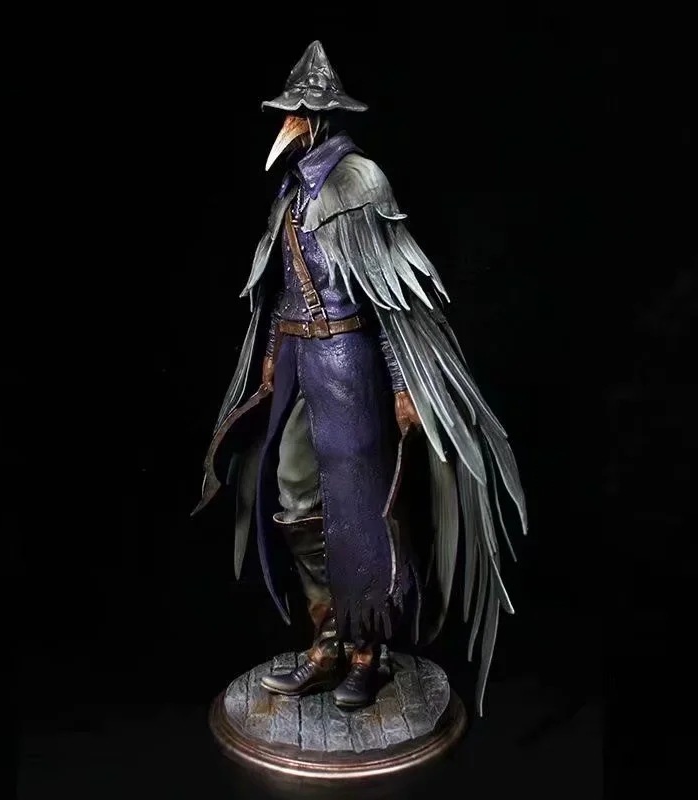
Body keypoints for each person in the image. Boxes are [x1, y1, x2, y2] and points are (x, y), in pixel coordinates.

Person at [193, 41, 527, 714]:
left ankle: (367, 651)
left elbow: (391, 299)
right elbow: (281, 286)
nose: (287, 122)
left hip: (348, 363)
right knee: (293, 492)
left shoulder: (360, 181)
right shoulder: (292, 191)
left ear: (318, 117)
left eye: (297, 111)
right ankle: (327, 639)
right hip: (297, 359)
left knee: (360, 509)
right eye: (285, 111)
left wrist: (403, 386)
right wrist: (271, 352)